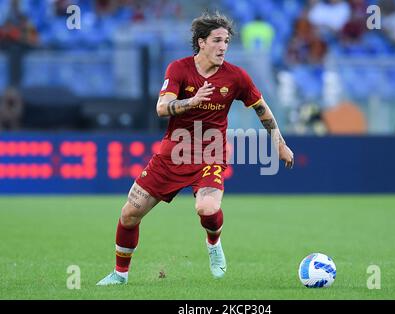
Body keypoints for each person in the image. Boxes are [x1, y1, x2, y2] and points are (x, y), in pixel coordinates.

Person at [96, 12, 294, 285]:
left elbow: (261, 109)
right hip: (172, 155)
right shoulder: (178, 69)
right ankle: (120, 275)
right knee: (129, 214)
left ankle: (214, 244)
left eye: (226, 41)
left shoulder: (236, 77)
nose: (223, 46)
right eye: (217, 40)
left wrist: (280, 145)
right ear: (201, 42)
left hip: (210, 154)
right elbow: (162, 108)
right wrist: (191, 102)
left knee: (207, 209)